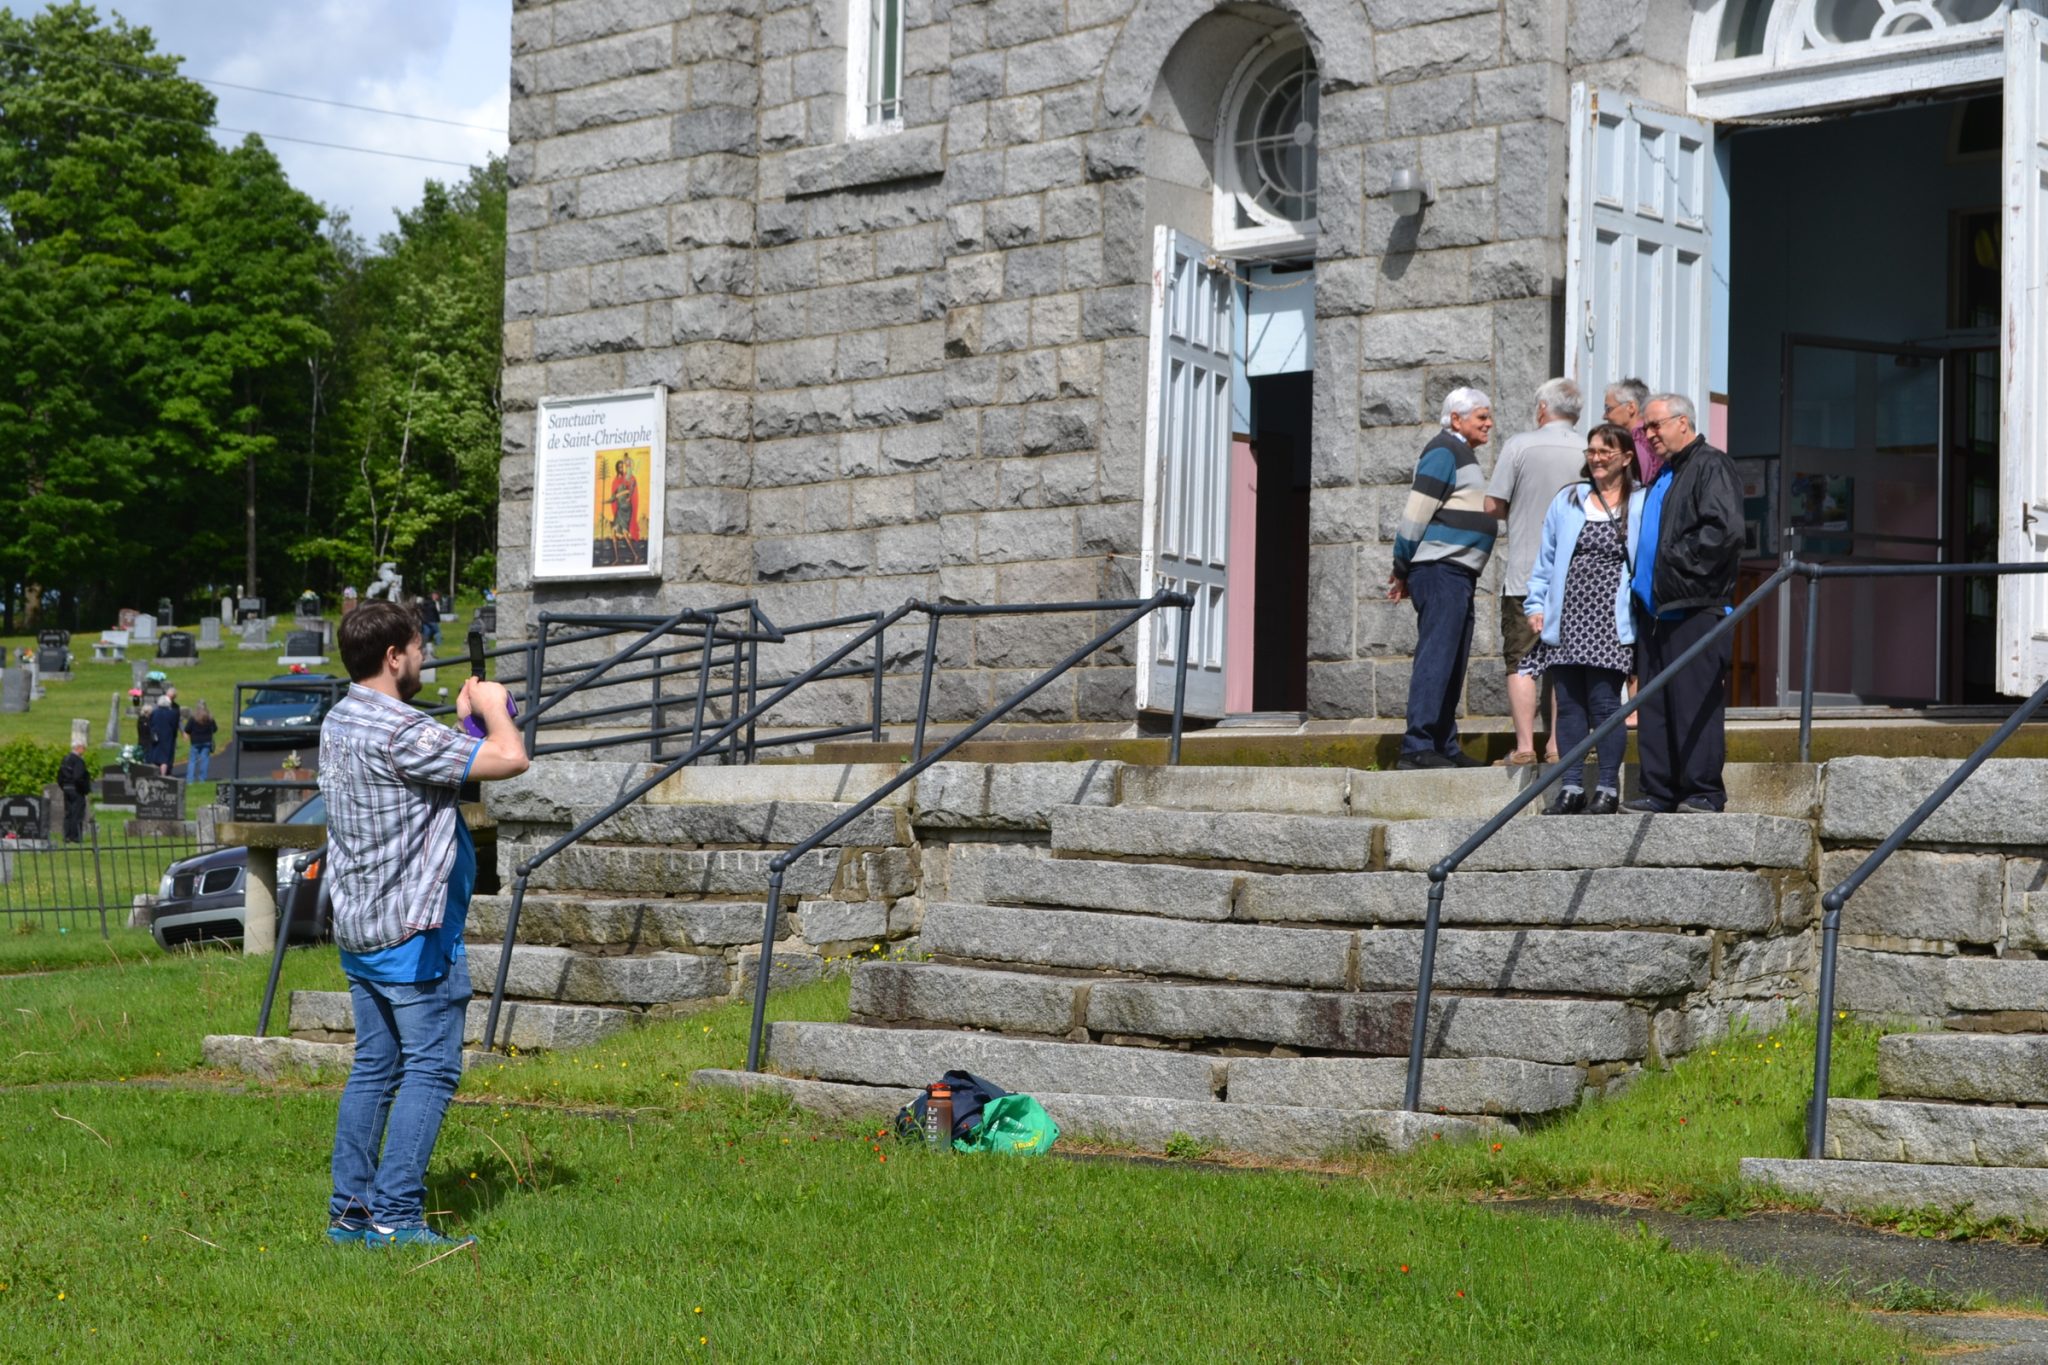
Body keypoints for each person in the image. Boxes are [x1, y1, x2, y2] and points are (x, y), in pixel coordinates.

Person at [322, 600, 528, 1249]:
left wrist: (467, 728)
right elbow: (511, 759)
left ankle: (350, 1213)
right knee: (432, 1069)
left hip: (360, 926)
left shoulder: (341, 717)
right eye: (416, 646)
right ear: (393, 656)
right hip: (414, 933)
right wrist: (492, 705)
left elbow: (435, 762)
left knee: (374, 1068)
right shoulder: (403, 729)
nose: (420, 657)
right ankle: (396, 1215)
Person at [1627, 393, 1743, 814]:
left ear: (1683, 422)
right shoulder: (1667, 473)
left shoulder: (1710, 464)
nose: (1650, 434)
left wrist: (1674, 562)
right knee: (1656, 704)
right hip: (1656, 611)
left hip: (1694, 606)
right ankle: (1660, 790)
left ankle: (1702, 791)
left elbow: (1723, 532)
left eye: (1656, 425)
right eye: (1646, 428)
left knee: (1694, 702)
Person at [1522, 424, 1645, 815]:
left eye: (1605, 452)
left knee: (1605, 702)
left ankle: (1607, 787)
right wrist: (1535, 605)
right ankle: (1571, 786)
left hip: (1611, 619)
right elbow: (1547, 557)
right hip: (1568, 616)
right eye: (1591, 451)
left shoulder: (1640, 501)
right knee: (1570, 703)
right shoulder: (1569, 499)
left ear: (1626, 457)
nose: (1595, 458)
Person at [1388, 388, 1497, 771]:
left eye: (1488, 416)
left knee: (1453, 660)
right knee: (1437, 656)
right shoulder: (1442, 451)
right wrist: (1401, 567)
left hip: (1457, 572)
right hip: (1440, 569)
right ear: (1456, 419)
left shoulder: (1460, 454)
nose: (1488, 423)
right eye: (1481, 416)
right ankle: (1417, 746)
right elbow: (1416, 512)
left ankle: (1443, 744)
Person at [1484, 377, 1587, 767]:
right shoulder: (1589, 448)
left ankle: (1525, 746)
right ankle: (1559, 746)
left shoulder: (1519, 446)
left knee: (1522, 660)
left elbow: (1493, 504)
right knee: (1565, 662)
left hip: (1527, 572)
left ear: (1542, 409)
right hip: (1576, 576)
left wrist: (1523, 508)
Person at [1602, 378, 1659, 485]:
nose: (1604, 416)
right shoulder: (1657, 438)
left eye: (1608, 409)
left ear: (1631, 408)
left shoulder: (1633, 444)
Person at [57, 740, 91, 843]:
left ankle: (66, 836)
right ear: (78, 748)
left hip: (67, 788)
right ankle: (76, 837)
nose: (84, 750)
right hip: (77, 790)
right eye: (83, 748)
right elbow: (78, 777)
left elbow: (59, 776)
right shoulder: (78, 761)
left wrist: (64, 786)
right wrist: (84, 788)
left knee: (68, 813)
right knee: (77, 813)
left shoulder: (65, 759)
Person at [183, 701, 217, 783]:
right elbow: (215, 729)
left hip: (195, 741)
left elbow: (187, 729)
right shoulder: (209, 718)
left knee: (192, 760)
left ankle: (190, 780)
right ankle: (202, 779)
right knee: (204, 760)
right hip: (207, 741)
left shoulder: (193, 718)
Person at [148, 687, 180, 775]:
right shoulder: (172, 713)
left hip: (156, 737)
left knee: (155, 756)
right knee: (164, 759)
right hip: (167, 737)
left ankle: (154, 774)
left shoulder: (154, 712)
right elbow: (174, 726)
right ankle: (163, 775)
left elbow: (150, 723)